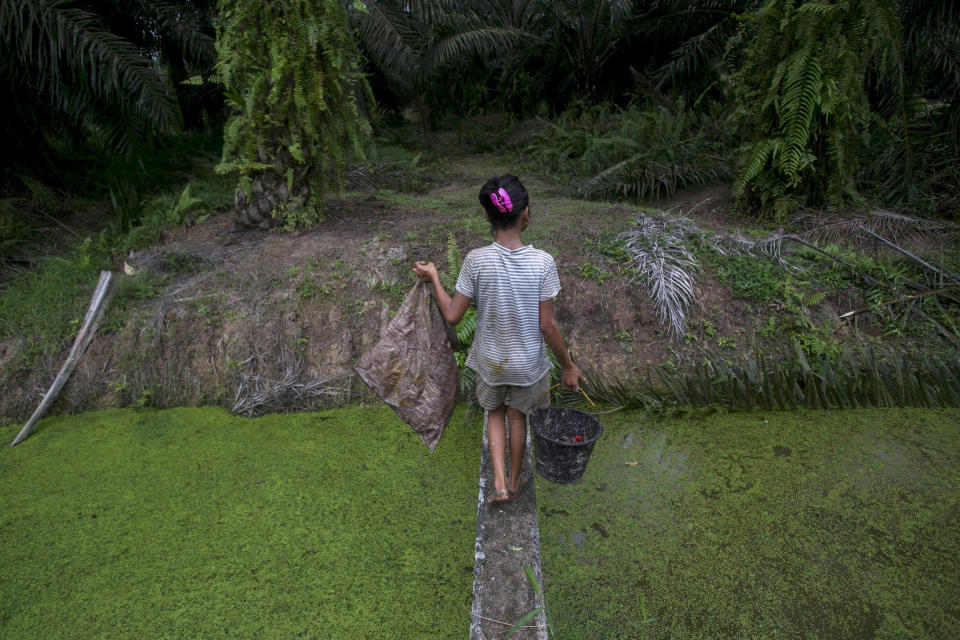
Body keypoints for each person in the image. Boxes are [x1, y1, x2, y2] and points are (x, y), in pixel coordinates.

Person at [413, 174, 586, 504]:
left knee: (494, 413)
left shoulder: (477, 260)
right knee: (516, 418)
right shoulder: (542, 262)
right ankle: (516, 479)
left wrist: (434, 276)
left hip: (491, 361)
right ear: (526, 214)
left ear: (486, 216)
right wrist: (568, 365)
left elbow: (452, 315)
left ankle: (499, 484)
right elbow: (548, 325)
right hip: (528, 366)